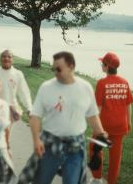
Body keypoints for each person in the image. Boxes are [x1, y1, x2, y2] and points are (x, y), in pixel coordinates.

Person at [28, 51, 106, 184]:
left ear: (71, 66)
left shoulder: (85, 88)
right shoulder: (46, 88)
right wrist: (36, 140)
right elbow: (35, 116)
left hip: (75, 147)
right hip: (50, 145)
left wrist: (101, 133)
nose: (55, 72)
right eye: (53, 69)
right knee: (40, 181)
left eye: (59, 69)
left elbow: (92, 114)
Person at [89, 52, 133, 184]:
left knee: (94, 149)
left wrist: (95, 125)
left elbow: (98, 107)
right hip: (120, 126)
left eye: (102, 63)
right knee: (115, 157)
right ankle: (112, 181)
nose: (101, 65)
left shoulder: (102, 83)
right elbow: (128, 105)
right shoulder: (124, 82)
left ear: (107, 66)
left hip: (104, 127)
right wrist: (129, 122)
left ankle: (97, 179)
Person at [0, 50, 32, 124]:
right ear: (0, 59)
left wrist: (29, 107)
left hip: (11, 110)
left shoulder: (18, 74)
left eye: (9, 57)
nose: (6, 59)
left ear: (13, 60)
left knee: (6, 133)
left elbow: (24, 92)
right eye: (4, 56)